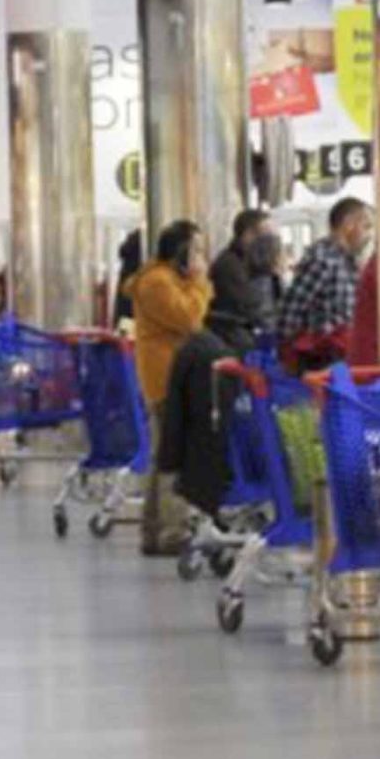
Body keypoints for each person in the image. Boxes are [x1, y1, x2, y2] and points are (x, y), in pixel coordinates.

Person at [128, 221, 210, 557]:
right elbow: (190, 319)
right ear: (181, 251)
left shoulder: (167, 280)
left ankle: (154, 530)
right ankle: (172, 532)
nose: (202, 257)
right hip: (167, 378)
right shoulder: (157, 282)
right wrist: (200, 281)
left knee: (164, 454)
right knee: (175, 457)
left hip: (172, 375)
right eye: (197, 250)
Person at [272, 197, 374, 364]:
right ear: (349, 224)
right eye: (366, 226)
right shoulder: (323, 261)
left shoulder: (348, 262)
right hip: (322, 360)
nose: (369, 235)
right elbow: (289, 314)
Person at [206, 208, 282, 350]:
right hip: (235, 340)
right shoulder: (229, 265)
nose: (271, 243)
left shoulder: (248, 262)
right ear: (248, 235)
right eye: (266, 235)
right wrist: (265, 273)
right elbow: (254, 309)